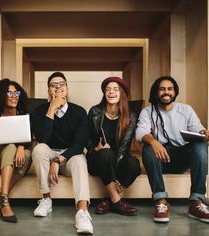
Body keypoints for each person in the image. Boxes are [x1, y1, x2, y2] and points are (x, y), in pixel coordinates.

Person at [135, 76, 209, 223]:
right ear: (156, 93)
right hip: (159, 160)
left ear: (175, 92)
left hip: (181, 157)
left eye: (170, 89)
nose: (166, 92)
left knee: (200, 145)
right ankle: (161, 201)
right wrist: (154, 141)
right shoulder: (147, 111)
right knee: (148, 148)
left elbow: (198, 130)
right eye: (162, 89)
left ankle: (197, 202)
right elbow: (140, 132)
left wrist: (204, 134)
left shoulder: (186, 110)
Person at [31, 72, 93, 234]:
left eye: (62, 84)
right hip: (49, 152)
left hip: (70, 156)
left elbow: (79, 145)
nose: (58, 87)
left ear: (67, 88)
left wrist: (58, 160)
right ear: (48, 90)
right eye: (53, 85)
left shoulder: (79, 112)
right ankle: (46, 199)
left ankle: (82, 212)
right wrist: (52, 108)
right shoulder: (39, 111)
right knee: (39, 149)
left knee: (80, 159)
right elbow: (43, 139)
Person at [86, 77, 141, 215]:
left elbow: (123, 149)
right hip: (98, 159)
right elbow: (86, 138)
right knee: (106, 153)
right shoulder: (95, 112)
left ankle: (108, 200)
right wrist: (96, 148)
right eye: (108, 90)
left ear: (122, 93)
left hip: (119, 159)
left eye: (115, 89)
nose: (111, 92)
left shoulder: (131, 116)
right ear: (104, 93)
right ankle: (117, 201)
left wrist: (114, 175)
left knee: (134, 164)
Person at [0, 78, 32, 223]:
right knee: (10, 147)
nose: (14, 95)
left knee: (28, 154)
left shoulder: (25, 116)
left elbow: (30, 142)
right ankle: (5, 202)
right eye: (9, 93)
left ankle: (2, 196)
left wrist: (22, 146)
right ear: (0, 96)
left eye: (16, 92)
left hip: (18, 161)